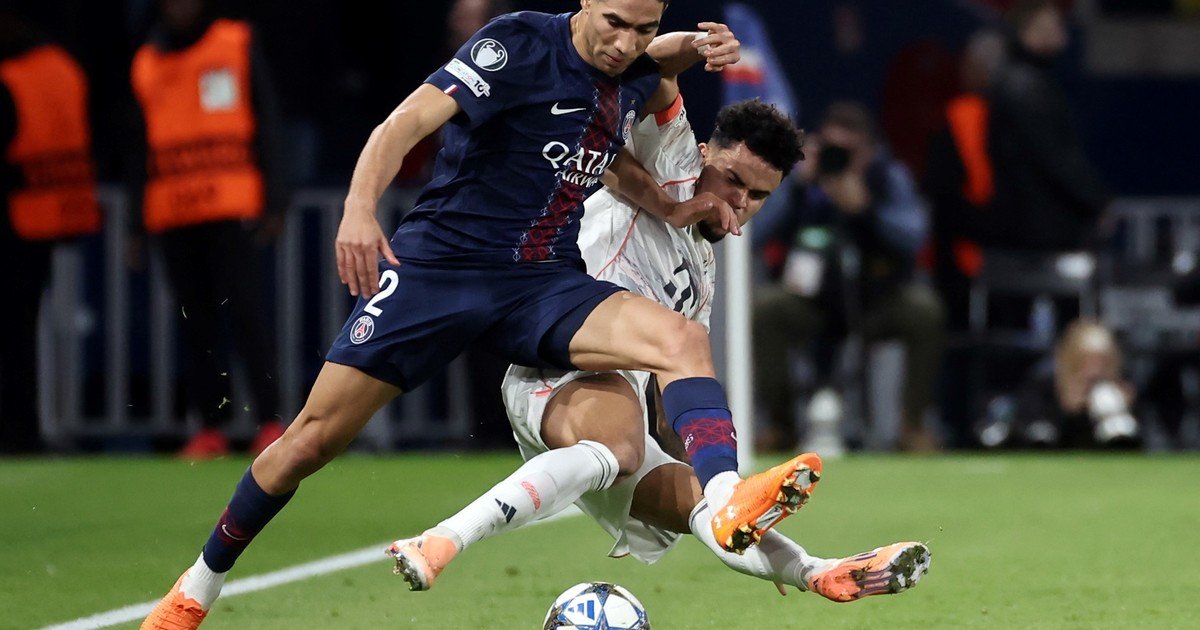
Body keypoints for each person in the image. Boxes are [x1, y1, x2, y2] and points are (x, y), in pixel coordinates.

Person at [142, 3, 811, 627]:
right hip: (440, 269)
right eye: (616, 22)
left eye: (643, 29)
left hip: (539, 280)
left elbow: (625, 132)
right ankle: (196, 587)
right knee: (309, 442)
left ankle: (727, 498)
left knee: (680, 338)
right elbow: (403, 124)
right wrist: (358, 209)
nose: (626, 43)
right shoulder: (518, 43)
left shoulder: (631, 73)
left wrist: (670, 188)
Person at [388, 95, 931, 603]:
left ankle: (818, 571)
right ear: (703, 154)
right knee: (635, 451)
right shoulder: (668, 164)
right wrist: (693, 45)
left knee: (698, 504)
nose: (739, 202)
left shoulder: (701, 274)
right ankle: (443, 538)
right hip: (558, 359)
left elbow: (675, 401)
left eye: (758, 196)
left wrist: (687, 458)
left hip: (616, 402)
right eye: (732, 179)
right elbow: (659, 77)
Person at [128, 0, 289, 458]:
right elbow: (137, 146)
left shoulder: (235, 43)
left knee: (247, 317)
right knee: (194, 324)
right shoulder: (146, 61)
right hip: (173, 211)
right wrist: (134, 224)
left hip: (230, 207)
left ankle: (269, 422)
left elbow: (267, 120)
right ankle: (210, 427)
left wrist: (276, 198)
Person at [754, 101, 946, 453]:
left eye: (849, 151)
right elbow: (753, 233)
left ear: (869, 150)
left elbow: (915, 236)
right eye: (831, 149)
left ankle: (913, 427)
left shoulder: (888, 177)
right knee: (766, 309)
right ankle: (782, 427)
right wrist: (795, 183)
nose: (838, 159)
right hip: (811, 301)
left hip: (876, 301)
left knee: (924, 310)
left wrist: (866, 210)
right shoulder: (800, 178)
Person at [0, 6, 100, 455]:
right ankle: (23, 429)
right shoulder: (61, 66)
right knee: (21, 333)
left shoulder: (12, 73)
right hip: (48, 216)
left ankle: (18, 431)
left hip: (15, 220)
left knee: (15, 334)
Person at [987, 0, 1111, 252]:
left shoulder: (1028, 79)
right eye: (1053, 25)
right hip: (1034, 226)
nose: (1061, 32)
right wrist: (1097, 200)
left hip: (1033, 221)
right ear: (1030, 30)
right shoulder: (1024, 86)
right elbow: (1056, 155)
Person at [978, 319, 1139, 449]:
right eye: (1086, 361)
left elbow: (1139, 437)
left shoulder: (1121, 382)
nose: (1094, 370)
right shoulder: (1045, 381)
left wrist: (1126, 409)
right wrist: (1067, 409)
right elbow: (1031, 431)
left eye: (1102, 362)